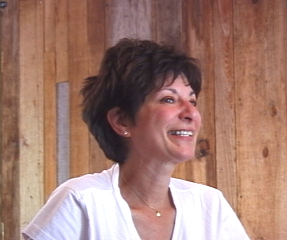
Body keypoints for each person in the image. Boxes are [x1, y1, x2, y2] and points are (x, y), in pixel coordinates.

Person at [22, 38, 250, 240]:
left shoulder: (209, 204)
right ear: (121, 121)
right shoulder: (81, 200)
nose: (190, 113)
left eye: (192, 101)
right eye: (169, 99)